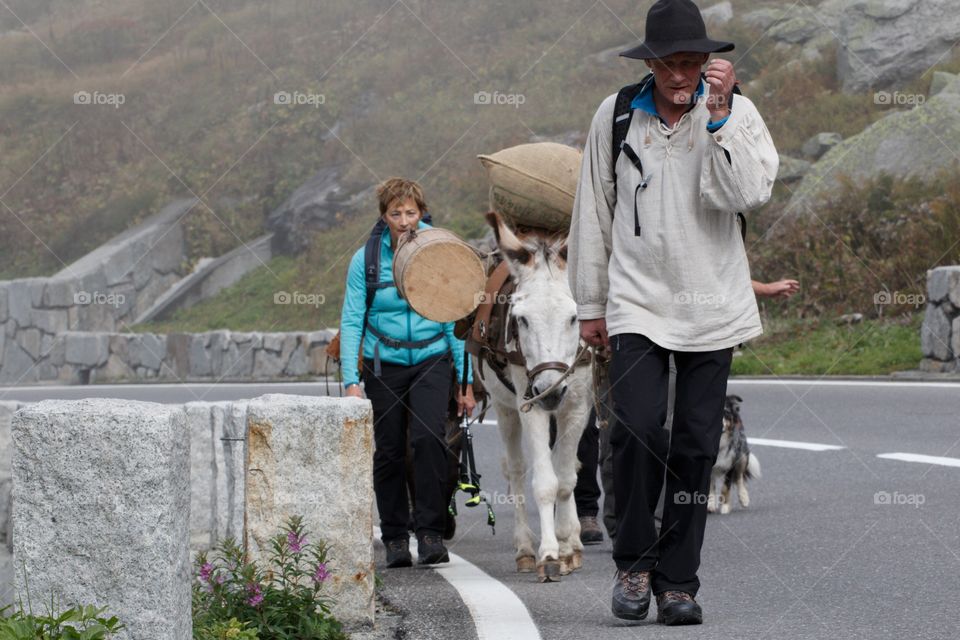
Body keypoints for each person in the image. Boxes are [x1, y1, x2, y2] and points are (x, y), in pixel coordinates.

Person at [568, 0, 778, 626]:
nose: (680, 75)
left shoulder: (736, 113)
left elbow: (749, 194)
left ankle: (678, 583)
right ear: (651, 63)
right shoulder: (615, 117)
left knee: (692, 445)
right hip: (637, 302)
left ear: (710, 63)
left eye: (691, 63)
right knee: (634, 429)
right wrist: (589, 303)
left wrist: (718, 121)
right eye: (668, 63)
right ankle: (634, 563)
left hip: (712, 302)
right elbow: (594, 209)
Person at [575, 279, 801, 545]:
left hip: (682, 337)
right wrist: (594, 314)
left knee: (672, 435)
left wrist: (760, 292)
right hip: (624, 333)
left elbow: (713, 266)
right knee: (625, 434)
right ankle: (623, 528)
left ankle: (660, 527)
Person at [341, 178, 476, 568]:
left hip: (432, 359)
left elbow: (453, 315)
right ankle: (396, 537)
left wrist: (464, 381)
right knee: (389, 452)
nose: (403, 221)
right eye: (395, 213)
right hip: (384, 364)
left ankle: (431, 532)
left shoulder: (439, 249)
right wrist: (352, 381)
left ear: (422, 212)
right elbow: (352, 320)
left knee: (429, 440)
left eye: (411, 212)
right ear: (384, 216)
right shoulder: (365, 259)